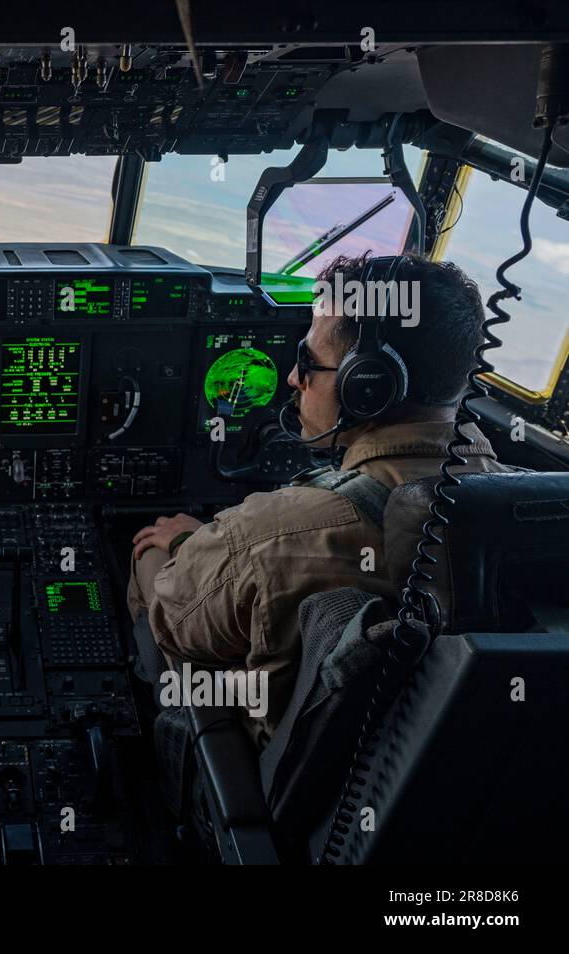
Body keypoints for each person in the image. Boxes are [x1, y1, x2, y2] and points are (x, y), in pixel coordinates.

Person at [127, 253, 507, 745]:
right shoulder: (525, 506)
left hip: (266, 790)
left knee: (152, 555)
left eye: (308, 362)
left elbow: (176, 624)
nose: (292, 379)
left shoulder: (275, 534)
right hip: (446, 788)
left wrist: (191, 549)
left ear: (368, 385)